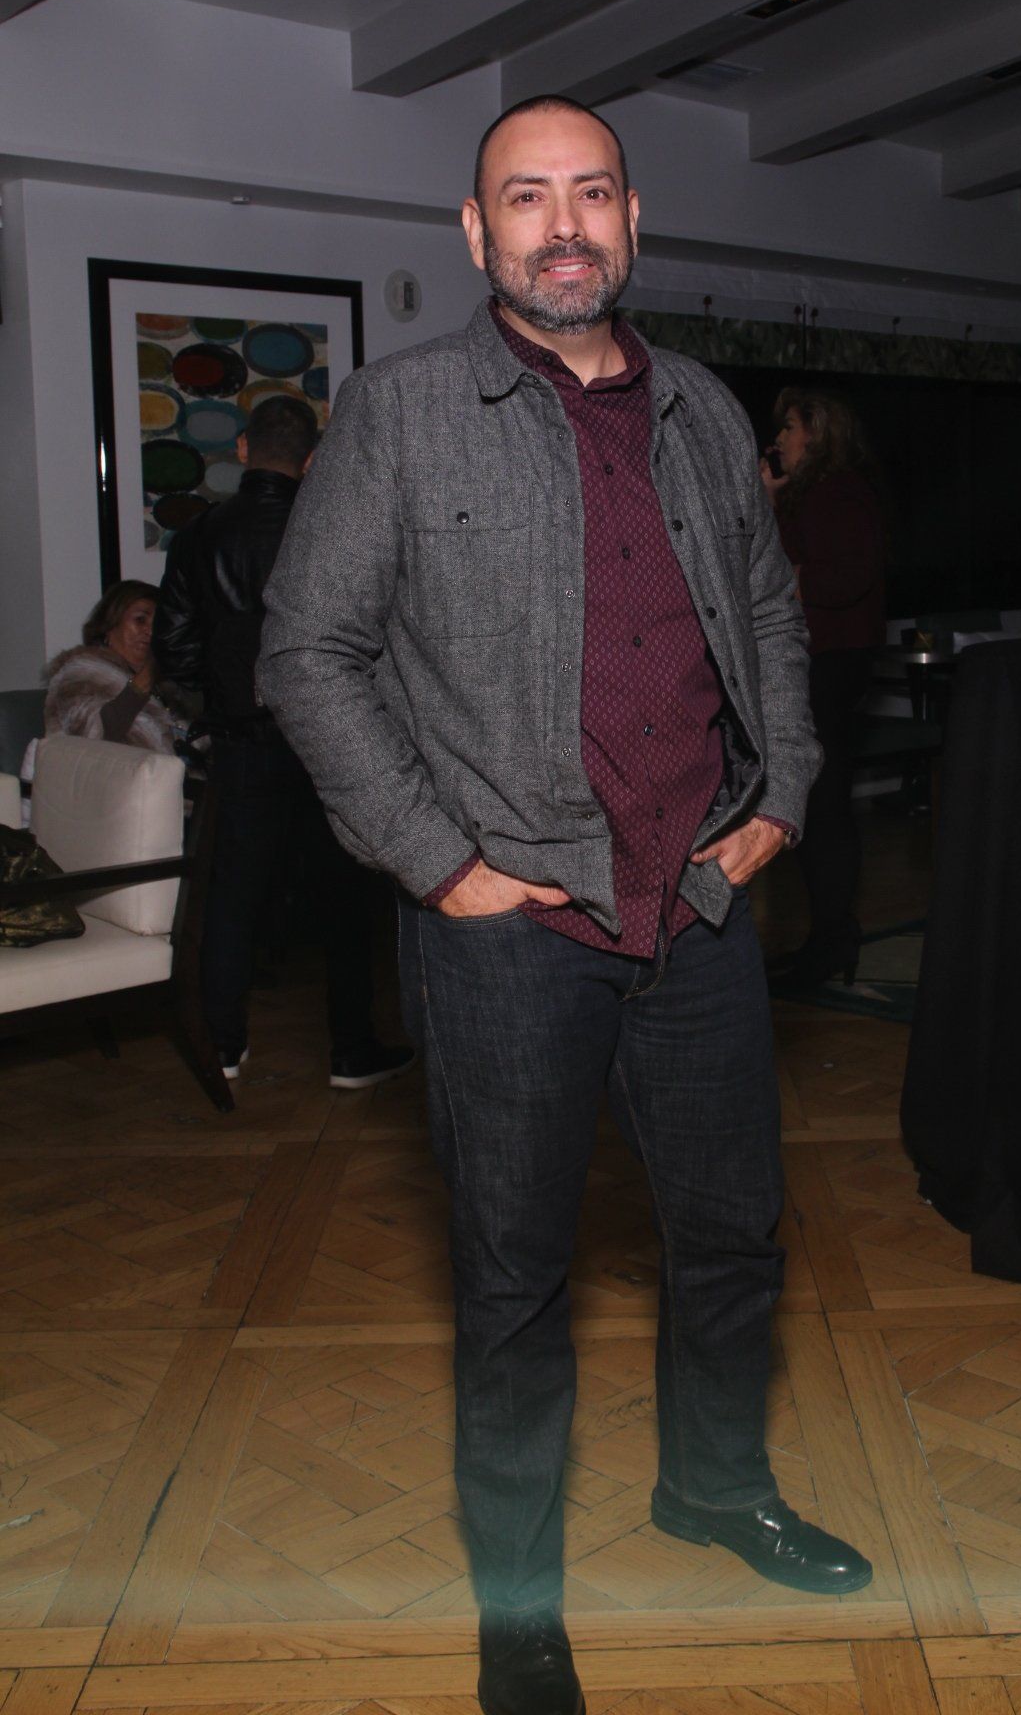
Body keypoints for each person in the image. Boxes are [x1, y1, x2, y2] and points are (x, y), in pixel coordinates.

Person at [260, 96, 872, 1715]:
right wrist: (434, 859)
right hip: (510, 929)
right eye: (526, 198)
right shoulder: (403, 412)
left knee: (732, 1236)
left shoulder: (703, 409)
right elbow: (306, 656)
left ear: (633, 218)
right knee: (515, 1281)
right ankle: (519, 1604)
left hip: (701, 906)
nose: (563, 225)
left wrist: (785, 792)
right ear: (478, 234)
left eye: (590, 192)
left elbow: (768, 610)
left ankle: (717, 1488)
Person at [153, 397, 413, 1091]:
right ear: (312, 459)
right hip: (331, 739)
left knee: (232, 896)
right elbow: (380, 642)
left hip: (244, 739)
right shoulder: (333, 529)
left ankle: (223, 1045)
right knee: (346, 898)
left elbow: (173, 651)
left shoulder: (198, 536)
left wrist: (222, 694)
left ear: (242, 449)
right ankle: (351, 1050)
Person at [760, 388, 886, 992]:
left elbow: (846, 575)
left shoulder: (840, 492)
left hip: (832, 661)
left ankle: (833, 939)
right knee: (818, 802)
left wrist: (793, 578)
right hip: (821, 659)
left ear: (818, 432)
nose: (779, 439)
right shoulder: (812, 494)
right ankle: (829, 938)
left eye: (790, 427)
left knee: (824, 803)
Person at [45, 580, 181, 752]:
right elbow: (96, 737)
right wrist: (145, 678)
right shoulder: (82, 673)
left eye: (158, 625)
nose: (151, 631)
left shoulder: (168, 685)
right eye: (140, 620)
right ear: (109, 626)